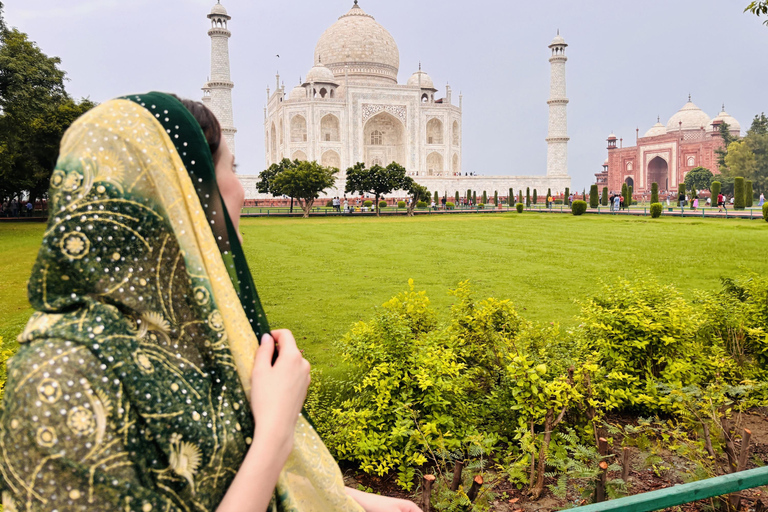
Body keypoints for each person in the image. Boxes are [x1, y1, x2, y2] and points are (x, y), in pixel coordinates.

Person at [0, 92, 420, 512]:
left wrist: (353, 501)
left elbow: (222, 473)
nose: (240, 187)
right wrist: (276, 429)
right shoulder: (57, 377)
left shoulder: (185, 325)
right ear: (178, 191)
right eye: (230, 169)